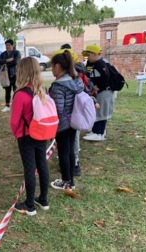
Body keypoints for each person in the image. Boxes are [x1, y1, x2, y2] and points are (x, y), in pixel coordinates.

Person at [10, 57, 50, 216]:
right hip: (42, 133)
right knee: (42, 165)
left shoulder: (20, 94)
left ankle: (29, 205)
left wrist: (15, 134)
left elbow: (14, 121)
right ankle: (44, 199)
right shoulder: (41, 91)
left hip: (26, 136)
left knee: (29, 168)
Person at [49, 50, 84, 190]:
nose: (51, 69)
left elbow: (58, 107)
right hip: (75, 120)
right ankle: (71, 181)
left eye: (52, 66)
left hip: (63, 123)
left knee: (63, 152)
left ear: (57, 66)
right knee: (69, 151)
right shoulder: (77, 80)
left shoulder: (58, 86)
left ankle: (65, 181)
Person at [82, 44, 115, 142]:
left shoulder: (100, 64)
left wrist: (98, 87)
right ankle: (98, 131)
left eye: (89, 55)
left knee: (101, 112)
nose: (88, 57)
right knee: (98, 111)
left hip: (104, 92)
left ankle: (98, 133)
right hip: (98, 92)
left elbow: (106, 78)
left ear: (94, 54)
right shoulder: (91, 63)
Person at [0, 39, 21, 112]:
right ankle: (7, 106)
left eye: (9, 45)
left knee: (16, 91)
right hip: (6, 76)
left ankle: (16, 106)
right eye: (6, 45)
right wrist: (7, 60)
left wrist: (5, 63)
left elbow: (15, 62)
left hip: (15, 75)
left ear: (12, 45)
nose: (7, 47)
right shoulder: (3, 54)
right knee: (7, 92)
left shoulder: (17, 53)